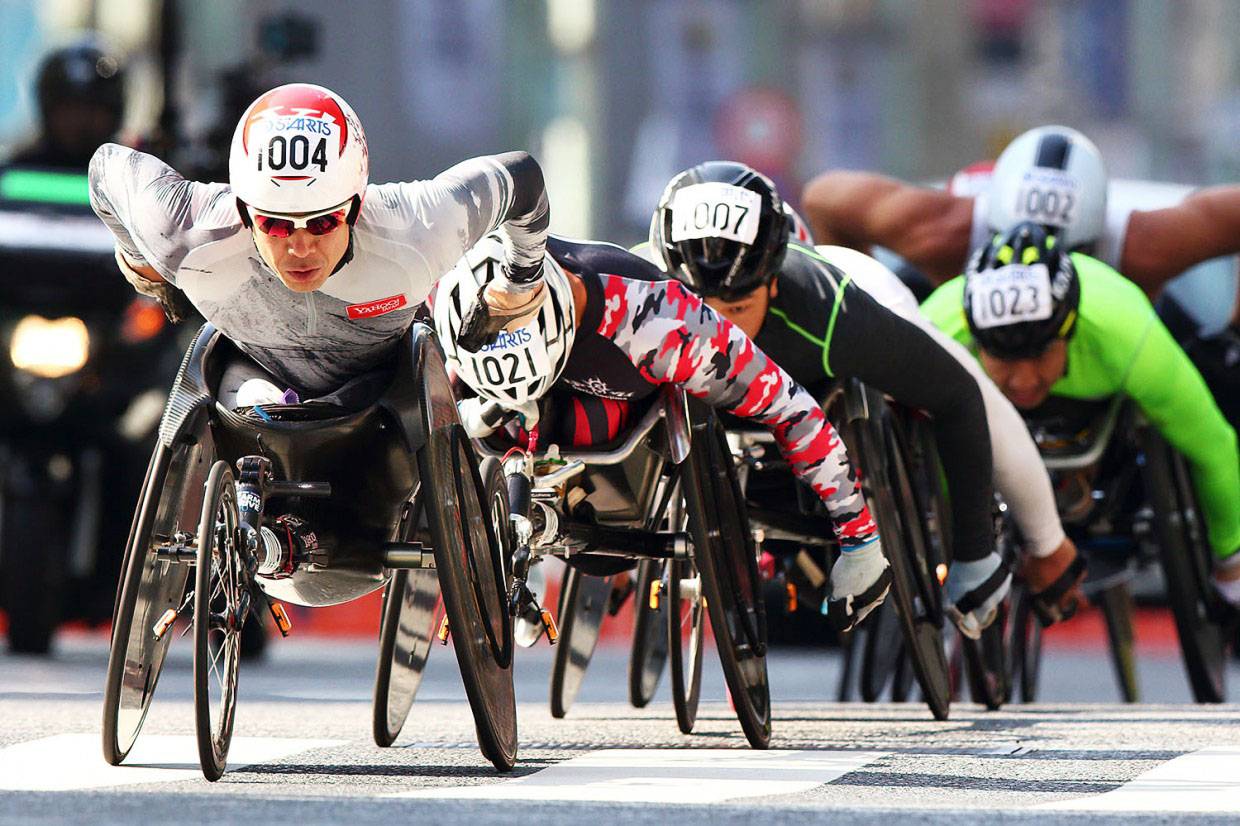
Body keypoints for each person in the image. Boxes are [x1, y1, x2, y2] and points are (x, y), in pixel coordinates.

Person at [635, 162, 1084, 635]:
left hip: (866, 307)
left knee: (957, 384)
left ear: (774, 281)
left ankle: (1047, 539)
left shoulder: (835, 312)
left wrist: (983, 552)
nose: (718, 330)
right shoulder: (634, 282)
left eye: (738, 308)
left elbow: (960, 398)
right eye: (699, 305)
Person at [435, 232, 889, 634]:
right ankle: (510, 520)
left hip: (620, 395)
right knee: (473, 414)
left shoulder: (661, 323)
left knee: (601, 553)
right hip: (498, 396)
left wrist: (860, 541)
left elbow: (792, 409)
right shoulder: (449, 290)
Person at [89, 81, 550, 409]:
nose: (302, 248)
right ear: (245, 212)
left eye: (324, 222)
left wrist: (519, 285)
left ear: (354, 205)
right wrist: (144, 268)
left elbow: (524, 178)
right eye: (277, 225)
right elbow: (103, 167)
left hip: (386, 391)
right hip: (250, 380)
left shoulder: (417, 227)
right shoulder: (185, 233)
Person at [921, 221, 1240, 603]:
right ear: (974, 338)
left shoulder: (1125, 332)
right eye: (1003, 356)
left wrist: (1230, 564)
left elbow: (1213, 445)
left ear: (1070, 331)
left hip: (1098, 392)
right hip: (976, 407)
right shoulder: (935, 329)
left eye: (1039, 353)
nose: (1023, 380)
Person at [802, 124, 1240, 299]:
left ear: (1098, 236)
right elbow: (824, 198)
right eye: (1011, 248)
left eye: (1064, 256)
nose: (1037, 270)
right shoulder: (939, 232)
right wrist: (867, 313)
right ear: (987, 227)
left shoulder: (1145, 246)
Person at [10, 37, 127, 170]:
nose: (80, 119)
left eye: (92, 107)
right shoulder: (15, 171)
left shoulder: (136, 173)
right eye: (68, 108)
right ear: (47, 109)